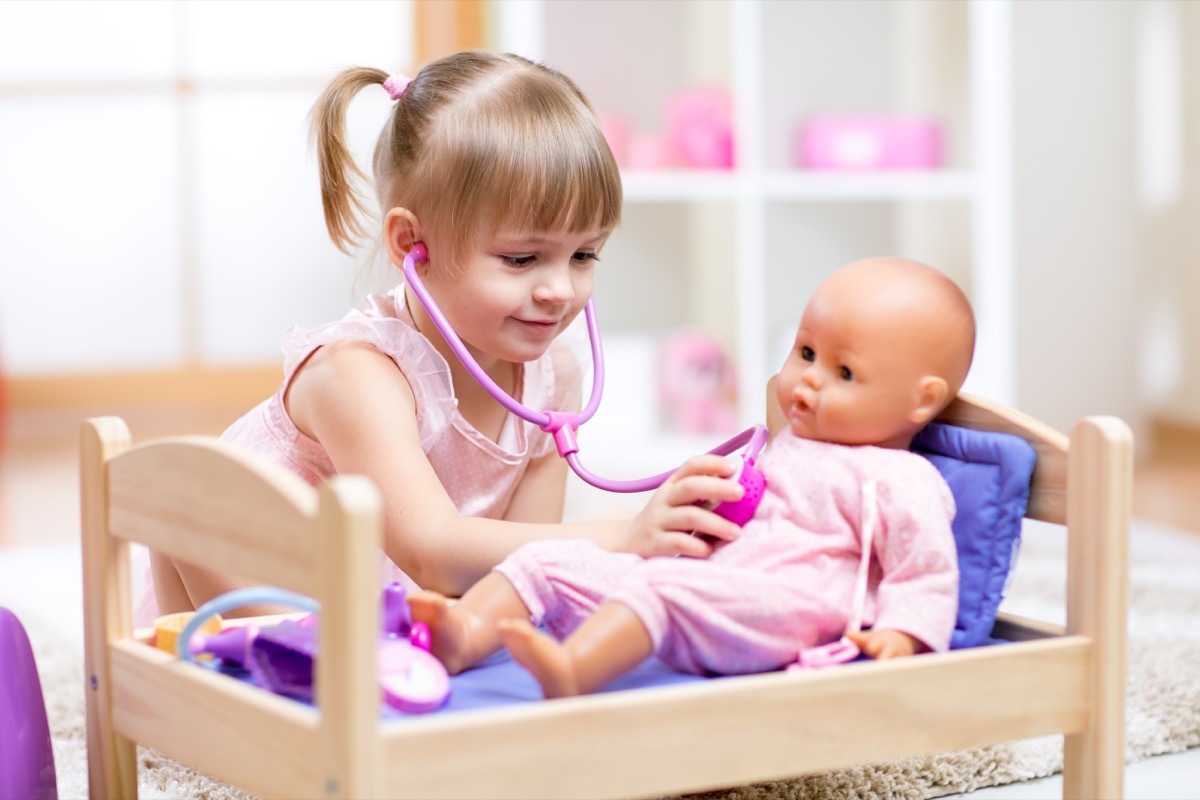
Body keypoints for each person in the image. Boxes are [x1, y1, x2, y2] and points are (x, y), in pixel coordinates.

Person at [140, 51, 745, 625]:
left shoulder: (554, 381)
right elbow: (432, 551)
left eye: (585, 254)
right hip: (254, 594)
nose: (560, 288)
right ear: (411, 245)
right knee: (201, 511)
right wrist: (618, 534)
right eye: (521, 258)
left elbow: (522, 571)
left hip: (382, 610)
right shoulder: (356, 374)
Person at [408, 256, 976, 698]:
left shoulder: (900, 479)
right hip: (714, 583)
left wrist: (903, 633)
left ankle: (575, 672)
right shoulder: (792, 444)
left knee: (663, 588)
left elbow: (925, 569)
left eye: (845, 371)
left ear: (920, 400)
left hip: (789, 609)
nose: (806, 381)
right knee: (547, 560)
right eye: (805, 352)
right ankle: (463, 636)